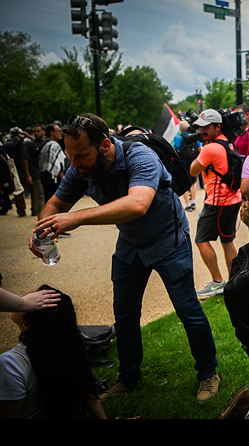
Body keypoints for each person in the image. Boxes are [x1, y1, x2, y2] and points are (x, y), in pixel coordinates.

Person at [28, 113, 221, 404]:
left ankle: (208, 372)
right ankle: (128, 377)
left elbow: (137, 204)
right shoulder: (80, 168)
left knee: (188, 310)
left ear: (105, 145)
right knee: (125, 314)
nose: (74, 163)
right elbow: (55, 203)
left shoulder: (140, 156)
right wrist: (43, 229)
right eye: (70, 155)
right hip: (130, 246)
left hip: (169, 240)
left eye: (81, 156)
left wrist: (75, 218)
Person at [0, 285, 107, 419]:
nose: (20, 298)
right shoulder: (66, 351)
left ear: (26, 325)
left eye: (25, 298)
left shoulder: (10, 364)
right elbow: (89, 397)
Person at [190, 109, 242, 297]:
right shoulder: (228, 143)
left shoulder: (210, 148)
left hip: (217, 202)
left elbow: (193, 171)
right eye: (200, 127)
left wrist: (201, 152)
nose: (202, 131)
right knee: (227, 241)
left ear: (218, 126)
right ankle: (235, 280)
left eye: (206, 127)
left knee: (201, 239)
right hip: (233, 199)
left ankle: (218, 282)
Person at [173, 120, 201, 211]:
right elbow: (200, 148)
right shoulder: (192, 137)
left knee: (184, 183)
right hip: (192, 162)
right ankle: (193, 201)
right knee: (193, 183)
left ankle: (188, 204)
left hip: (183, 163)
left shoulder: (177, 137)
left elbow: (176, 149)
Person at [3, 128, 29, 216]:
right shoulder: (25, 144)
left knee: (18, 191)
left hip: (13, 171)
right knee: (33, 190)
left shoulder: (6, 145)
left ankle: (21, 210)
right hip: (25, 169)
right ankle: (35, 209)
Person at [38, 123, 66, 203]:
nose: (61, 133)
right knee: (54, 200)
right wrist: (62, 177)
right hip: (53, 177)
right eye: (58, 131)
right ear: (51, 133)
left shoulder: (44, 143)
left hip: (43, 174)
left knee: (47, 199)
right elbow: (55, 165)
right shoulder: (53, 145)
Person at [24, 124, 46, 216]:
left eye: (38, 131)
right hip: (35, 173)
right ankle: (40, 216)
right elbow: (25, 160)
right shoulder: (30, 144)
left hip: (45, 173)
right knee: (40, 195)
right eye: (35, 131)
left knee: (45, 194)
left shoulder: (46, 143)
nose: (36, 133)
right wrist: (28, 174)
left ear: (44, 132)